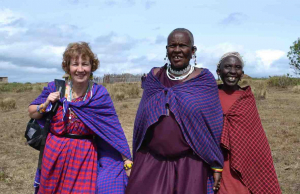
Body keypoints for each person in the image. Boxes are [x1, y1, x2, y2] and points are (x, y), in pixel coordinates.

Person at [126, 28, 224, 194]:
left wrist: (216, 163)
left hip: (190, 162)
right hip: (151, 159)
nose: (177, 50)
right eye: (172, 45)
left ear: (193, 51)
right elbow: (142, 120)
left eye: (183, 45)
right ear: (167, 50)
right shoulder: (155, 77)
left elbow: (212, 124)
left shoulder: (204, 79)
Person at [28, 42, 132, 194]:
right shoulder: (55, 88)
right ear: (68, 67)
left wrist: (126, 160)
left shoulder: (98, 94)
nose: (80, 69)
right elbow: (32, 112)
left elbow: (112, 129)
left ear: (92, 66)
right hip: (54, 154)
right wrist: (45, 104)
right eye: (75, 64)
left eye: (85, 64)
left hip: (83, 157)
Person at [216, 52, 281, 194]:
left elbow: (256, 141)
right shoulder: (209, 96)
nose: (232, 71)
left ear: (242, 73)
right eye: (227, 66)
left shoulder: (246, 99)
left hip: (242, 162)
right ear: (218, 71)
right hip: (215, 161)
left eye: (237, 67)